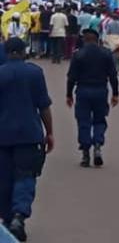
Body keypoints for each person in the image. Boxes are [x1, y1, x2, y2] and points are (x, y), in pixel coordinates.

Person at [0, 38, 54, 241]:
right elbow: (44, 106)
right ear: (23, 52)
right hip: (29, 135)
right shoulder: (35, 73)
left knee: (4, 179)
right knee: (25, 177)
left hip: (2, 136)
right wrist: (49, 132)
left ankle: (6, 220)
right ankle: (18, 216)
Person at [66, 28, 119, 168]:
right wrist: (115, 94)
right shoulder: (106, 53)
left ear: (85, 39)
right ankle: (97, 144)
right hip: (100, 90)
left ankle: (85, 153)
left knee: (83, 121)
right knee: (99, 120)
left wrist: (68, 94)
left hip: (83, 90)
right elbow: (113, 75)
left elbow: (71, 77)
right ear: (97, 40)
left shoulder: (78, 55)